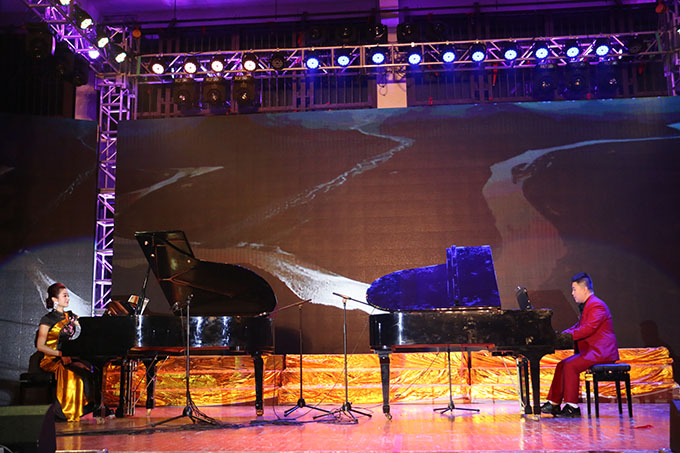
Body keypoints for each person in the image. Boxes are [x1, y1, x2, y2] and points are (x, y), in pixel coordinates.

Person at [540, 272, 619, 417]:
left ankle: (572, 406)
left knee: (570, 366)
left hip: (601, 352)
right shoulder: (589, 304)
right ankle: (554, 403)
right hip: (592, 351)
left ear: (584, 289)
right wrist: (561, 335)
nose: (572, 293)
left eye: (574, 289)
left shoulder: (596, 305)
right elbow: (579, 326)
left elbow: (588, 329)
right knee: (562, 365)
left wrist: (566, 337)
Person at [36, 282, 92, 422]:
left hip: (67, 356)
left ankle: (86, 407)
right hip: (51, 358)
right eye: (64, 296)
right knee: (71, 372)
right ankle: (65, 412)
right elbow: (40, 346)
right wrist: (60, 355)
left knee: (86, 369)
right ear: (54, 299)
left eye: (68, 296)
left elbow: (87, 326)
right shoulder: (47, 319)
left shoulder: (70, 316)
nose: (68, 298)